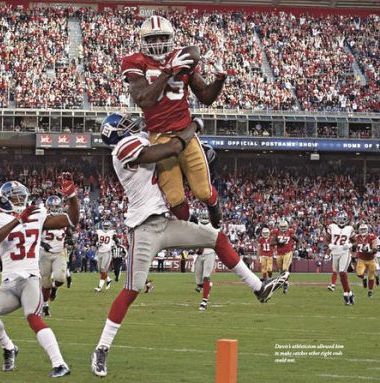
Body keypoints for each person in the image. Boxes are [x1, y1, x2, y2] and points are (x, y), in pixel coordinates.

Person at [91, 113, 289, 377]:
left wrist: (194, 160)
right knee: (132, 289)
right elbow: (171, 148)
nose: (132, 125)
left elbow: (170, 159)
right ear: (115, 133)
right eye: (124, 125)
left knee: (216, 238)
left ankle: (258, 288)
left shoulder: (139, 140)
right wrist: (194, 127)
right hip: (144, 229)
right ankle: (102, 348)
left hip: (166, 222)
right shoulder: (122, 149)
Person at [121, 15, 226, 228]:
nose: (158, 43)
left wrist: (220, 80)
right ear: (143, 41)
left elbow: (205, 97)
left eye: (162, 38)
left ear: (170, 38)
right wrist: (168, 71)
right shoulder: (134, 62)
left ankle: (215, 215)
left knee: (203, 191)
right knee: (176, 199)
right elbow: (145, 101)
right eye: (152, 39)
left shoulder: (182, 58)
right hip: (159, 136)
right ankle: (193, 229)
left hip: (185, 132)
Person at [0, 176, 78, 377]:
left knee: (33, 317)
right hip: (9, 284)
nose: (19, 202)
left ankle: (60, 364)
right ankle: (9, 348)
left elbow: (71, 220)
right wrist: (18, 219)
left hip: (31, 280)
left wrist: (72, 197)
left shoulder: (37, 213)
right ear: (4, 200)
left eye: (21, 197)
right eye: (15, 198)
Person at [39, 195, 69, 317]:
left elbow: (69, 233)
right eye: (52, 206)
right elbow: (34, 235)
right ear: (48, 207)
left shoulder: (64, 218)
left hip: (59, 252)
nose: (55, 208)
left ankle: (54, 288)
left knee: (60, 279)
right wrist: (42, 243)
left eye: (57, 206)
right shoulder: (42, 218)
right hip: (44, 254)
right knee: (45, 284)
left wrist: (70, 239)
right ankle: (45, 306)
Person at [324, 212, 355, 305]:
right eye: (340, 219)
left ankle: (346, 295)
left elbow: (355, 242)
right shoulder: (332, 227)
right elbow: (326, 240)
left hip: (345, 253)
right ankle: (350, 293)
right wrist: (329, 247)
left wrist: (349, 244)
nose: (341, 221)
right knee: (341, 275)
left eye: (343, 219)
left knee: (342, 272)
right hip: (335, 253)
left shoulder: (349, 228)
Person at [193, 210, 217, 311]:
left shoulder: (213, 227)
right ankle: (207, 286)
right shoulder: (196, 226)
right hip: (200, 255)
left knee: (206, 276)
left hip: (210, 253)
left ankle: (204, 301)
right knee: (199, 282)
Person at [271, 220, 298, 293]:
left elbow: (297, 239)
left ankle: (285, 283)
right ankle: (283, 282)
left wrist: (296, 249)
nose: (283, 228)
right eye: (282, 227)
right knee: (281, 271)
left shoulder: (290, 232)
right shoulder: (276, 232)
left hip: (287, 252)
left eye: (284, 227)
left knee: (285, 268)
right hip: (279, 253)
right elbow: (271, 242)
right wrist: (278, 243)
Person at [353, 223, 377, 297]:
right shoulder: (357, 237)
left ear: (367, 229)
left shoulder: (372, 236)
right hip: (361, 259)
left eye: (364, 229)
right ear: (359, 230)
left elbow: (375, 248)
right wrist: (353, 253)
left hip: (371, 259)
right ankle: (364, 278)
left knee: (371, 276)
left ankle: (370, 291)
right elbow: (353, 247)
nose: (363, 231)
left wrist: (370, 250)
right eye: (361, 229)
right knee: (359, 273)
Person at [94, 221, 116, 292]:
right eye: (105, 226)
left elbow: (116, 240)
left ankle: (99, 287)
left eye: (107, 226)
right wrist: (97, 243)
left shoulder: (112, 232)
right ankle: (108, 280)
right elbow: (95, 241)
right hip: (100, 252)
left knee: (103, 269)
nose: (106, 227)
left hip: (107, 252)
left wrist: (113, 244)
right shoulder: (99, 232)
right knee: (100, 270)